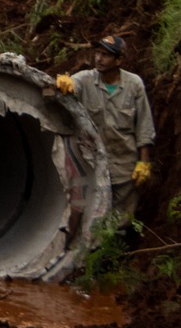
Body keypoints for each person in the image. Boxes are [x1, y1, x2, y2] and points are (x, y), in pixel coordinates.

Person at [53, 34, 156, 221]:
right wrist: (65, 84)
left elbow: (144, 126)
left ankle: (116, 247)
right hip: (93, 165)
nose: (99, 59)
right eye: (97, 53)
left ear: (119, 60)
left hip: (124, 165)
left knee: (122, 220)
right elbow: (73, 85)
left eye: (106, 55)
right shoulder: (85, 80)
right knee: (93, 216)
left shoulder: (134, 85)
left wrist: (144, 162)